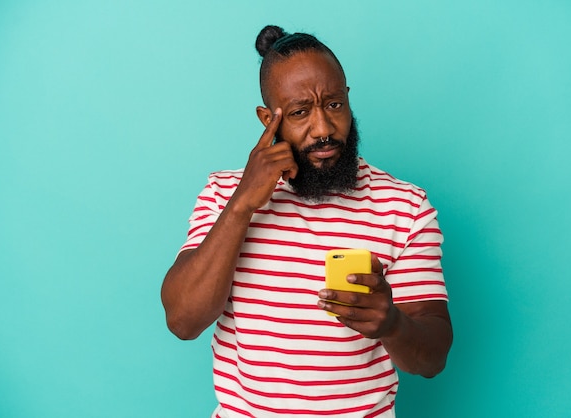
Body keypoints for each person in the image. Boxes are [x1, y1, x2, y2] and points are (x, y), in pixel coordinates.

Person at [161, 25, 453, 418]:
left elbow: (432, 359)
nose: (323, 129)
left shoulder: (405, 205)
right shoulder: (222, 195)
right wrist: (242, 204)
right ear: (269, 119)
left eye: (333, 105)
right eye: (300, 112)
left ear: (348, 101)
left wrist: (393, 325)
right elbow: (183, 320)